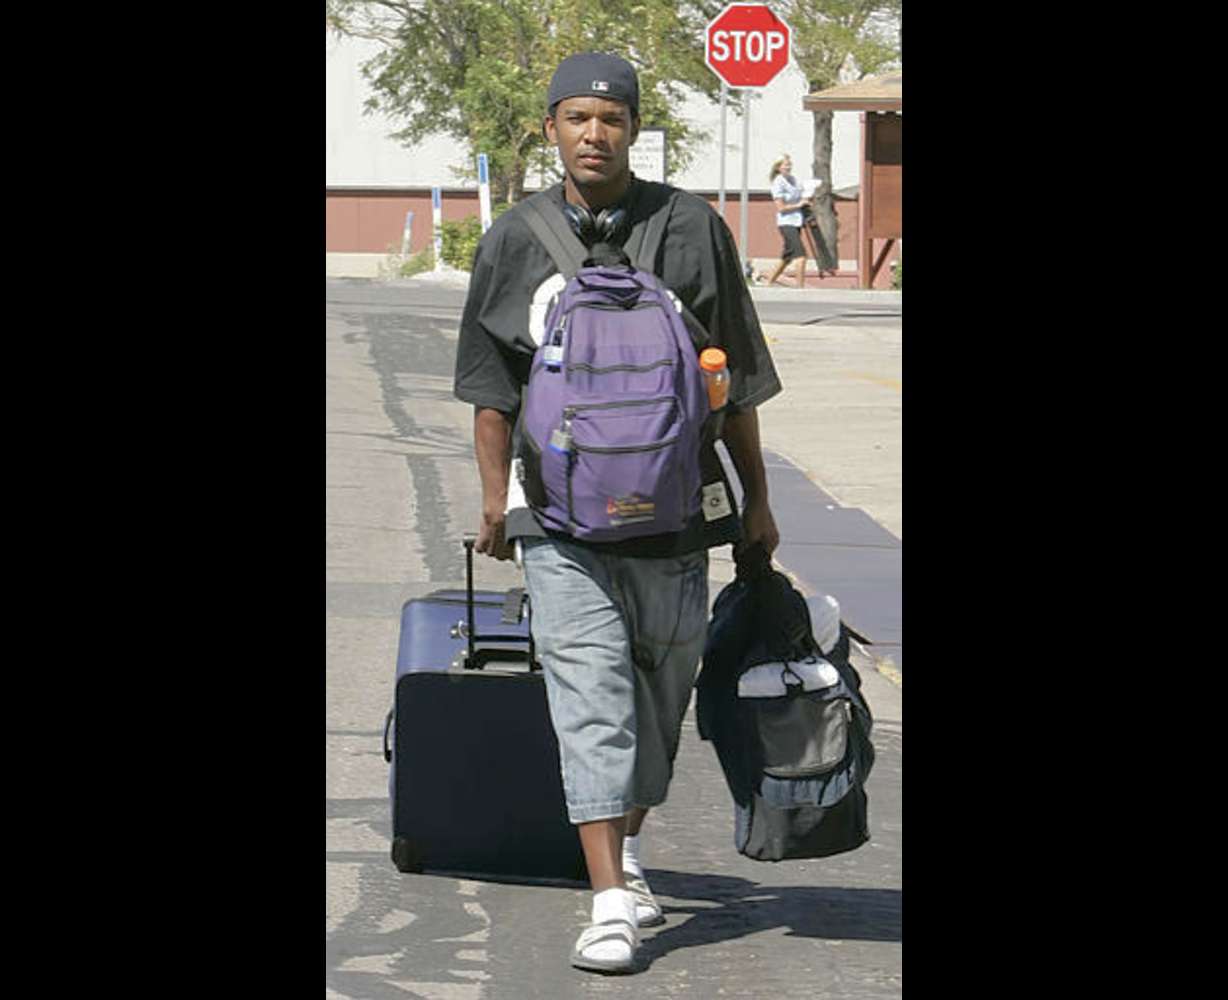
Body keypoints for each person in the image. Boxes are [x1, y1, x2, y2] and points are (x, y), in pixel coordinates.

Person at [452, 51, 782, 974]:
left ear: (635, 128)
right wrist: (494, 500)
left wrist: (758, 502)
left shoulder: (691, 229)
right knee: (592, 695)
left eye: (610, 119)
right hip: (558, 518)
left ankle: (625, 845)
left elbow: (737, 378)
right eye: (575, 119)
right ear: (550, 129)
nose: (593, 135)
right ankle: (607, 897)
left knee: (659, 702)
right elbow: (490, 390)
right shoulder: (516, 239)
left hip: (678, 518)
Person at [760, 154, 808, 286]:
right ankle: (800, 286)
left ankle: (768, 281)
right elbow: (780, 207)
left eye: (789, 164)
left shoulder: (793, 180)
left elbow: (801, 194)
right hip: (786, 223)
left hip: (797, 221)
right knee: (801, 255)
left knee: (787, 256)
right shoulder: (778, 182)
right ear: (778, 167)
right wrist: (798, 205)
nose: (788, 167)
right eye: (785, 164)